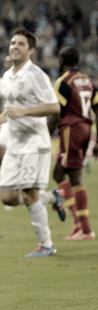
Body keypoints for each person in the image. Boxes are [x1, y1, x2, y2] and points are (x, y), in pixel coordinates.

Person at [0, 28, 61, 258]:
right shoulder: (8, 76)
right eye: (13, 42)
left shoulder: (36, 75)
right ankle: (52, 197)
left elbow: (55, 107)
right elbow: (11, 110)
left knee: (28, 194)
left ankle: (46, 245)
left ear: (31, 50)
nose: (15, 46)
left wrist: (25, 112)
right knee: (7, 197)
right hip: (15, 144)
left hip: (34, 143)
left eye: (21, 44)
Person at [47, 47, 98, 241]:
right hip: (86, 128)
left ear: (61, 60)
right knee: (59, 173)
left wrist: (45, 134)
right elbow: (97, 108)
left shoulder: (64, 82)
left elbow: (56, 112)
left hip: (72, 129)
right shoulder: (88, 80)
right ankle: (78, 222)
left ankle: (85, 229)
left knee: (75, 175)